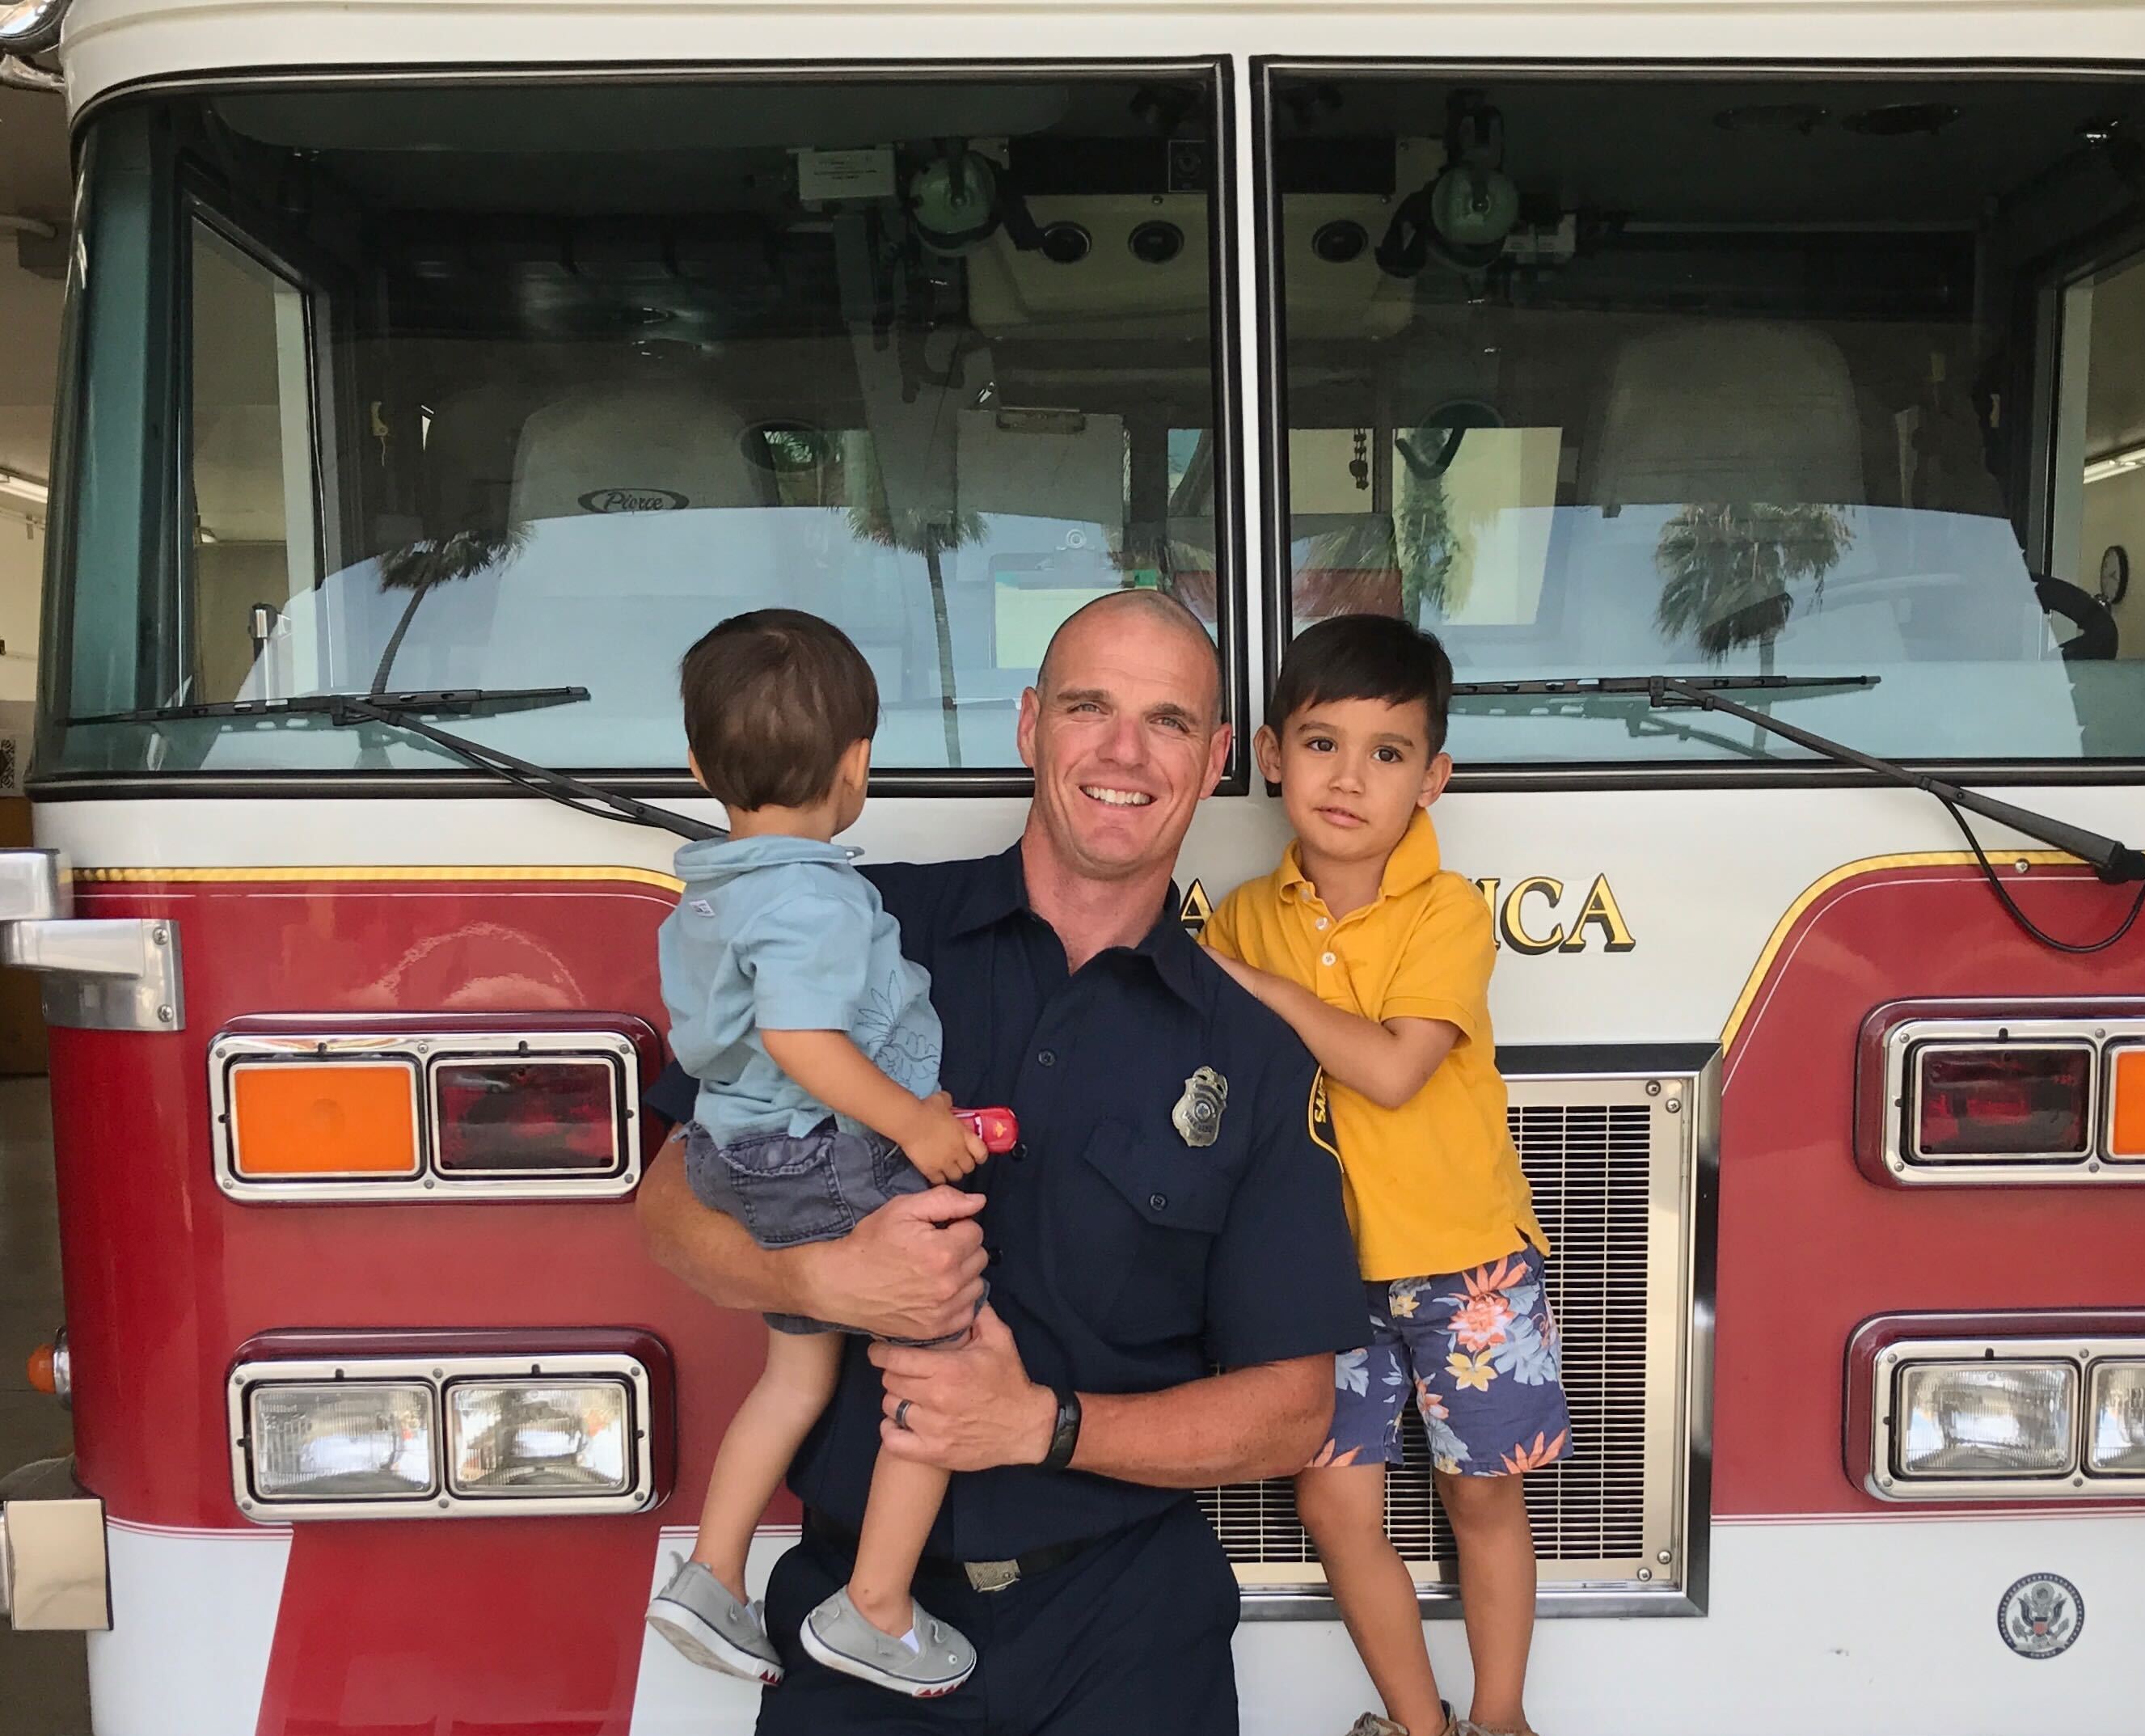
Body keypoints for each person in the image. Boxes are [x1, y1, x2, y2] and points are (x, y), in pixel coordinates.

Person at [637, 589, 1370, 1735]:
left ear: (1218, 758)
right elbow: (670, 1205)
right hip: (844, 1621)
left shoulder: (1257, 1051)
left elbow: (1290, 1410)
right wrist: (814, 1284)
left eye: (1168, 722)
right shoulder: (860, 930)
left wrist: (1041, 1426)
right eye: (1089, 707)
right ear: (1030, 726)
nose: (1123, 752)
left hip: (1127, 1627)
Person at [1201, 615, 1570, 1736]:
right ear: (1269, 756)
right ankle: (1420, 1725)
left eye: (1386, 752)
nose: (1347, 779)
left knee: (1483, 1490)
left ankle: (1499, 1717)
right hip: (1316, 1278)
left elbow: (1395, 1070)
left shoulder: (1446, 911)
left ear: (1433, 778)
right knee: (1333, 1505)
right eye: (1320, 744)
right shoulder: (1240, 916)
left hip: (1469, 1264)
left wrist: (1253, 987)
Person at [644, 608, 990, 1697]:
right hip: (819, 1158)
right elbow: (803, 1039)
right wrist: (916, 1124)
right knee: (947, 1358)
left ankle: (710, 1571)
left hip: (738, 1159)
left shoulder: (714, 891)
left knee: (794, 1376)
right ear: (858, 767)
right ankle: (875, 1608)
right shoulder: (814, 897)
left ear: (699, 763)